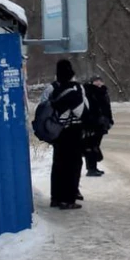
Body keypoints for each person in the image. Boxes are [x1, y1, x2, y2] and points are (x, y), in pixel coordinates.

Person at [40, 60, 87, 210]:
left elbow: (44, 106)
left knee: (58, 165)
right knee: (73, 165)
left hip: (57, 131)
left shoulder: (51, 89)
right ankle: (68, 199)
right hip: (72, 131)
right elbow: (81, 111)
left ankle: (56, 197)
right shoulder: (76, 89)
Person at [82, 76, 113, 178]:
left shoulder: (103, 92)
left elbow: (107, 108)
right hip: (92, 124)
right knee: (91, 146)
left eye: (100, 81)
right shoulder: (88, 92)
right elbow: (88, 109)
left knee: (95, 145)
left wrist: (109, 120)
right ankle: (91, 168)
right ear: (91, 82)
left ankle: (93, 167)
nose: (99, 83)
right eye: (96, 81)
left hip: (101, 123)